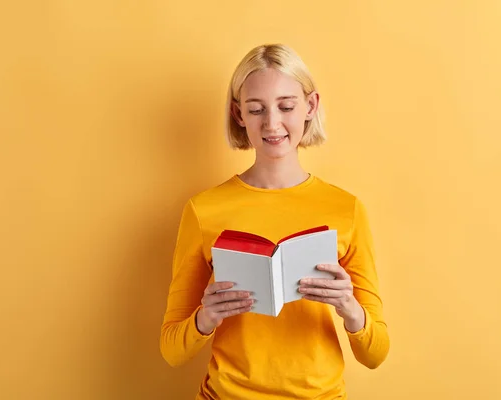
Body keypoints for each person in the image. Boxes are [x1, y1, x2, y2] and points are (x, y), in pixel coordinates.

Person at [160, 43, 390, 399]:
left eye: (286, 106)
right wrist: (206, 317)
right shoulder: (203, 210)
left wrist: (350, 307)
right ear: (239, 114)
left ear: (310, 107)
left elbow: (375, 354)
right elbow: (173, 350)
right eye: (256, 110)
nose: (272, 123)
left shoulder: (346, 209)